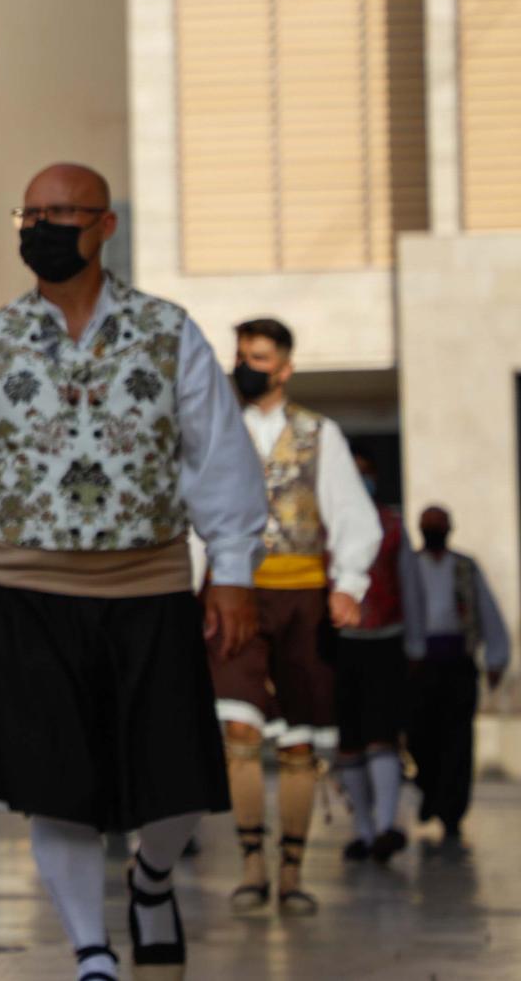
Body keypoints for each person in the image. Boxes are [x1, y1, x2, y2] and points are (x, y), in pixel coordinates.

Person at [0, 163, 268, 981]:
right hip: (26, 593)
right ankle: (92, 950)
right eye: (29, 214)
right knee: (53, 781)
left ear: (105, 225)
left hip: (150, 588)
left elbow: (218, 458)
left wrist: (234, 570)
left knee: (174, 782)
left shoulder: (169, 332)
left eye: (61, 213)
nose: (41, 228)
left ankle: (152, 876)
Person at [214, 318, 381, 913]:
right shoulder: (213, 431)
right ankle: (251, 863)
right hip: (232, 594)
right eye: (240, 354)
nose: (245, 366)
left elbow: (354, 516)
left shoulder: (319, 434)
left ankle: (291, 869)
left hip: (302, 596)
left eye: (257, 356)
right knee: (238, 728)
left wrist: (349, 583)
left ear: (284, 367)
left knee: (298, 743)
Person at [334, 452, 422, 864]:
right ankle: (364, 832)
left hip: (385, 640)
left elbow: (409, 584)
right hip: (340, 642)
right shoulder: (325, 524)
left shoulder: (392, 524)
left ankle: (387, 825)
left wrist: (415, 645)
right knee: (349, 740)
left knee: (382, 735)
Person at [407, 504, 510, 849]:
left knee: (457, 740)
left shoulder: (465, 567)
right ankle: (430, 791)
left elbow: (488, 613)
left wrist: (496, 658)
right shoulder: (410, 566)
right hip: (419, 668)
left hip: (457, 665)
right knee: (420, 736)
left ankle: (451, 813)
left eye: (438, 525)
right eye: (428, 525)